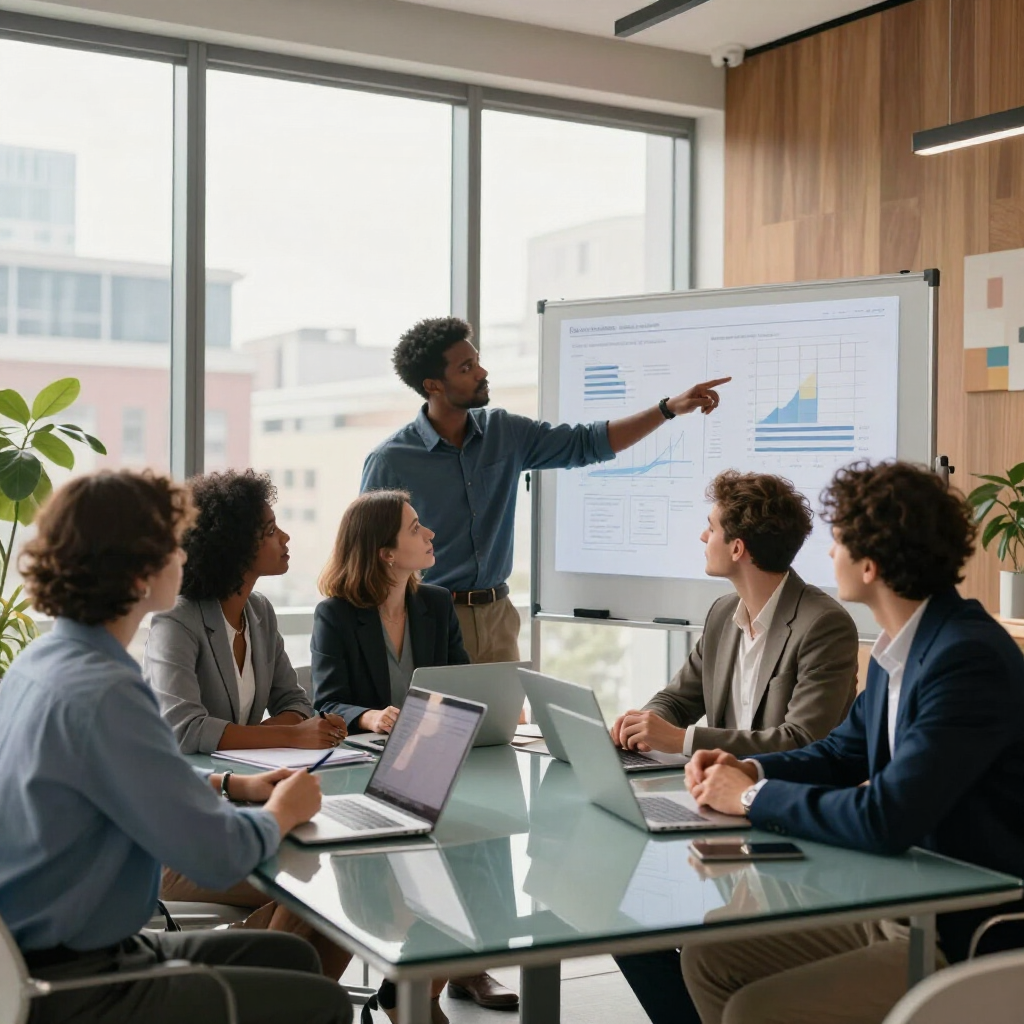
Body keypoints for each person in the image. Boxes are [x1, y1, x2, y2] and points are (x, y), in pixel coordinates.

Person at [631, 461, 1024, 1024]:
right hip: (899, 903)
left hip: (960, 929)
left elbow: (886, 815)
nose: (828, 555)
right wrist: (748, 769)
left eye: (838, 542)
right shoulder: (901, 647)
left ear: (871, 564)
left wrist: (747, 799)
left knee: (753, 1009)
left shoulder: (966, 659)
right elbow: (839, 753)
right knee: (708, 958)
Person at [0, 469, 350, 1024]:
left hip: (57, 955)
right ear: (139, 569)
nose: (183, 556)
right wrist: (282, 812)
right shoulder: (108, 691)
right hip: (75, 983)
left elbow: (117, 776)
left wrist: (227, 783)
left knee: (293, 957)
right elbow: (216, 855)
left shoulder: (40, 665)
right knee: (323, 1001)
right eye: (172, 544)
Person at [360, 315, 730, 664]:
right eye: (466, 368)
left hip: (498, 617)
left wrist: (667, 409)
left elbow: (587, 443)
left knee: (501, 730)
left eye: (477, 361)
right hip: (427, 618)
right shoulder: (391, 461)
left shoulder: (504, 432)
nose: (482, 372)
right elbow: (365, 559)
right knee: (435, 731)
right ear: (432, 385)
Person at [312, 487, 514, 1013]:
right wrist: (369, 716)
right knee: (433, 854)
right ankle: (416, 991)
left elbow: (460, 680)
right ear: (384, 552)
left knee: (475, 840)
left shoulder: (435, 603)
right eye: (414, 528)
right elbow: (325, 700)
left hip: (434, 765)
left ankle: (424, 986)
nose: (428, 535)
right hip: (367, 775)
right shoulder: (336, 614)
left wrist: (497, 703)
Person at [144, 469, 351, 979]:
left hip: (237, 803)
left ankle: (260, 989)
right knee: (322, 886)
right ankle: (256, 989)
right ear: (234, 544)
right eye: (269, 529)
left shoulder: (259, 612)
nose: (285, 538)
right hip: (180, 834)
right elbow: (184, 729)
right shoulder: (177, 619)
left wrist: (289, 731)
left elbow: (295, 701)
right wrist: (288, 737)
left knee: (333, 878)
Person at [611, 470, 859, 759]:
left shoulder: (824, 625)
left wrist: (683, 740)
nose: (703, 537)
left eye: (712, 529)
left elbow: (800, 740)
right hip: (717, 788)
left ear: (737, 548)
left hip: (785, 794)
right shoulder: (723, 613)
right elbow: (678, 701)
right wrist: (642, 726)